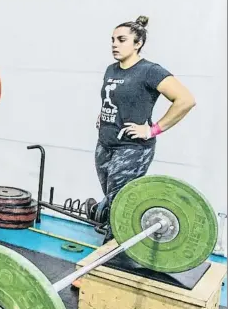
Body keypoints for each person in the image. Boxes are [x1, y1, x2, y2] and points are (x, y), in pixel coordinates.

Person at [83, 15, 196, 246]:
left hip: (132, 148)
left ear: (138, 43)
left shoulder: (149, 71)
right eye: (113, 39)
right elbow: (116, 99)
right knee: (113, 197)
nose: (115, 44)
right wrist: (104, 114)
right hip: (105, 144)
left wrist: (153, 130)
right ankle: (102, 214)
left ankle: (111, 254)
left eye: (122, 39)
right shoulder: (111, 70)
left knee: (121, 203)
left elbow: (185, 100)